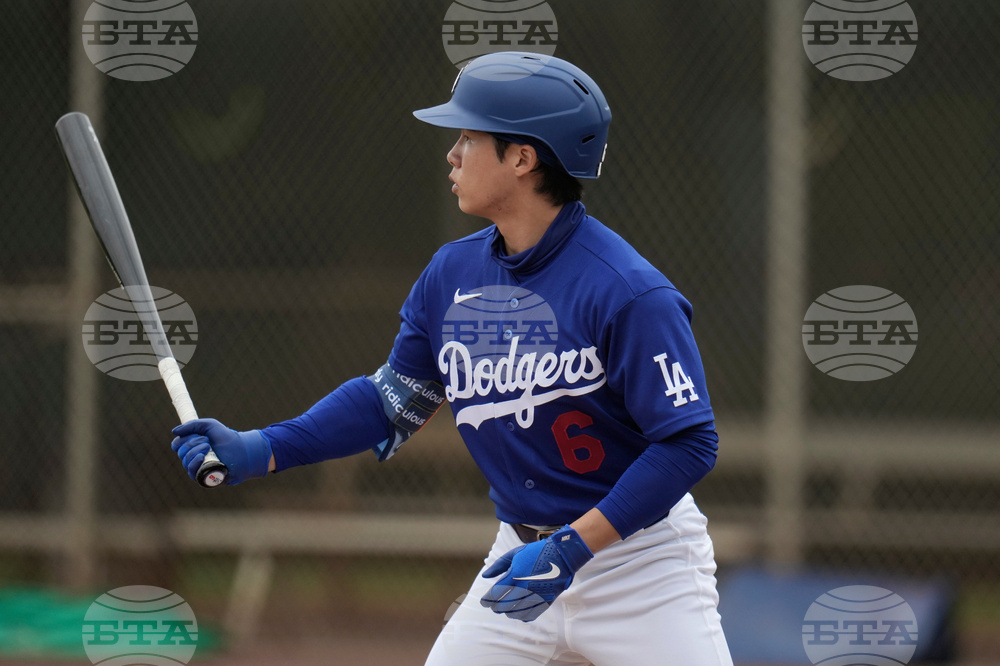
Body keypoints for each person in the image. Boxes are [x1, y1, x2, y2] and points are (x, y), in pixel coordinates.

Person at [171, 51, 733, 666]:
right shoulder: (453, 273)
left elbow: (688, 444)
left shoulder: (627, 292)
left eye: (469, 136)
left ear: (523, 158)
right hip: (520, 555)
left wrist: (573, 549)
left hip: (639, 565)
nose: (452, 153)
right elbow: (390, 401)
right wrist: (262, 448)